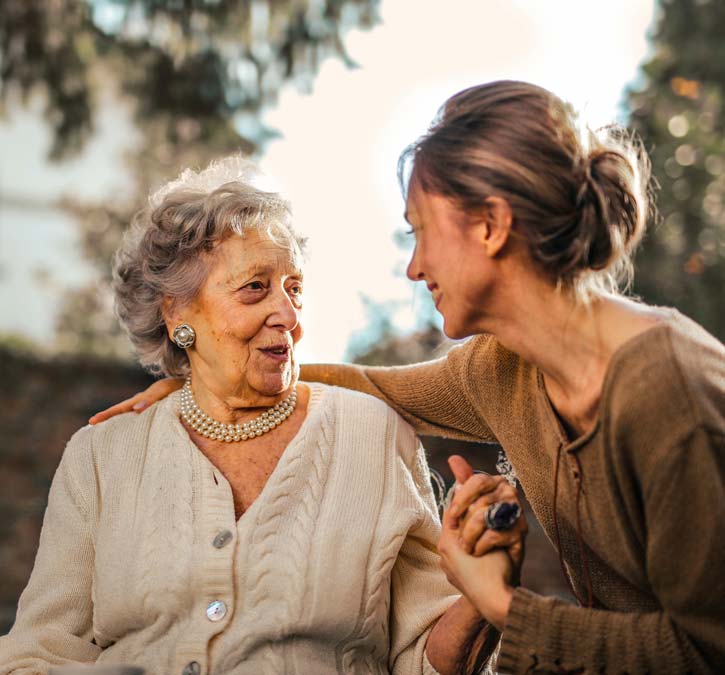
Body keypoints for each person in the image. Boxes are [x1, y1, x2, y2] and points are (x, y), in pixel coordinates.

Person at [96, 80, 725, 673]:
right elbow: (374, 386)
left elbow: (706, 650)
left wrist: (505, 608)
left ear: (491, 225)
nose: (415, 267)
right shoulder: (504, 369)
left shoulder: (669, 392)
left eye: (420, 232)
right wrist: (208, 380)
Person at [0, 157, 506, 674]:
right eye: (255, 288)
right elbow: (36, 656)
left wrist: (480, 596)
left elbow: (426, 663)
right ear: (177, 312)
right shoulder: (102, 456)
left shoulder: (373, 436)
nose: (288, 316)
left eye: (295, 288)